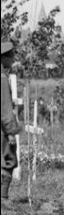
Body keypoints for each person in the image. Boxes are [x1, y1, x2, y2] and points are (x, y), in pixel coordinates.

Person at [1, 38, 20, 203]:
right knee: (9, 159)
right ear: (4, 58)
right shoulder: (2, 79)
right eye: (11, 56)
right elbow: (5, 109)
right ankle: (3, 199)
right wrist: (11, 132)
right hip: (2, 129)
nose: (13, 60)